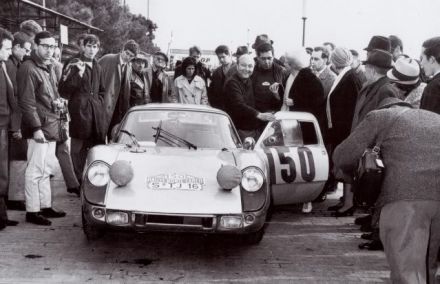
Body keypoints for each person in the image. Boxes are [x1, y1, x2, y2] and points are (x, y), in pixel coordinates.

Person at [333, 98, 440, 284]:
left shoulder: (379, 117)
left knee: (408, 271)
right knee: (428, 266)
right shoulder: (435, 118)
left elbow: (342, 156)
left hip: (404, 198)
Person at [17, 31, 67, 225]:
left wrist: (59, 101)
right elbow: (27, 102)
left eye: (52, 46)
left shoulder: (46, 67)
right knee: (35, 170)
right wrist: (36, 128)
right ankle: (32, 210)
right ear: (36, 45)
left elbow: (48, 96)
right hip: (40, 127)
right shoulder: (29, 68)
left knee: (46, 168)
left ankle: (45, 205)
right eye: (45, 46)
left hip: (49, 125)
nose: (50, 50)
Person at [58, 34, 106, 190]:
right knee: (77, 149)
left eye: (95, 46)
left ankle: (94, 180)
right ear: (83, 46)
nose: (92, 50)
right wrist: (78, 74)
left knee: (95, 148)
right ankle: (77, 183)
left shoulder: (97, 66)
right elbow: (64, 90)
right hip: (79, 112)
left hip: (95, 113)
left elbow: (102, 90)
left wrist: (99, 103)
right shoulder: (73, 63)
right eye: (89, 46)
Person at [283, 48, 324, 213]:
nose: (284, 64)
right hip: (296, 126)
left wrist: (295, 102)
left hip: (303, 129)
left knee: (304, 164)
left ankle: (306, 198)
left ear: (292, 64)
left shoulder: (308, 79)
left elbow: (315, 102)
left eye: (286, 62)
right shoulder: (294, 77)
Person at [324, 47, 362, 210]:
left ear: (334, 61)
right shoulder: (347, 75)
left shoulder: (350, 77)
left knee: (346, 165)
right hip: (341, 128)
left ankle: (348, 202)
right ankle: (345, 199)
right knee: (343, 165)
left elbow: (352, 106)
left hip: (346, 129)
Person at [5, 32, 31, 210]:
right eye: (26, 50)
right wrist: (16, 127)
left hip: (13, 119)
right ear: (16, 48)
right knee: (17, 158)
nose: (27, 53)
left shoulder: (14, 64)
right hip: (13, 121)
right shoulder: (11, 66)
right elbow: (14, 97)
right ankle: (13, 198)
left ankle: (12, 196)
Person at [224, 54, 275, 141]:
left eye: (250, 66)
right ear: (237, 66)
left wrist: (276, 94)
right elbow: (239, 105)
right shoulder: (232, 83)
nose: (247, 69)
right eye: (243, 65)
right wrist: (259, 115)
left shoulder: (249, 81)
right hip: (239, 131)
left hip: (252, 130)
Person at [0, 27, 20, 229]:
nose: (8, 52)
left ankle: (2, 216)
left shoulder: (3, 65)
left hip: (4, 125)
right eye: (6, 48)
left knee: (2, 173)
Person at [99, 39, 138, 137]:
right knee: (99, 138)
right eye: (127, 53)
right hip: (104, 107)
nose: (128, 57)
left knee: (113, 138)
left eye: (131, 56)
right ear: (122, 50)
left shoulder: (129, 67)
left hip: (118, 111)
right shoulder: (108, 59)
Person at [251, 43, 288, 118]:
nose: (267, 61)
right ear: (258, 57)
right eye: (263, 58)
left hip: (276, 115)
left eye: (269, 58)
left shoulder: (281, 71)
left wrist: (277, 94)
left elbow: (287, 98)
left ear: (273, 57)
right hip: (257, 115)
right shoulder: (251, 71)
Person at [208, 45, 236, 111]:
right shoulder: (216, 72)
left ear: (229, 55)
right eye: (219, 58)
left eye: (223, 57)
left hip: (235, 107)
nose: (221, 60)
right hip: (219, 107)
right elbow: (211, 91)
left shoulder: (238, 69)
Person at [419, 36, 440, 114]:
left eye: (422, 58)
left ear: (431, 59)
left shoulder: (433, 87)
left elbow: (426, 122)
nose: (421, 64)